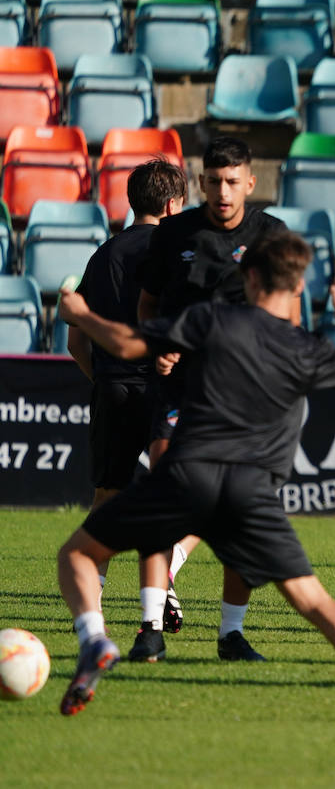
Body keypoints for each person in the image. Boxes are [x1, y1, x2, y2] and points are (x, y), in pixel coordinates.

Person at [55, 233, 335, 721]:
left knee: (78, 554)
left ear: (249, 278)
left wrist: (80, 315)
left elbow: (128, 343)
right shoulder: (304, 347)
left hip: (187, 474)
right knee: (314, 601)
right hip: (251, 489)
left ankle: (94, 640)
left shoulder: (209, 320)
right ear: (298, 287)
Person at [137, 136, 287, 662]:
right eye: (214, 181)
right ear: (200, 183)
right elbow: (149, 303)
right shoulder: (175, 233)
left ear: (250, 182)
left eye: (233, 182)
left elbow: (284, 317)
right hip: (178, 391)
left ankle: (230, 634)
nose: (223, 192)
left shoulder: (271, 237)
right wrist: (158, 345)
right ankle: (149, 630)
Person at [67, 160, 188, 660]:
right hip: (166, 390)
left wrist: (106, 382)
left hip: (113, 387)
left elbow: (77, 339)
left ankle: (93, 630)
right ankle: (163, 586)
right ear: (171, 205)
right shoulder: (178, 253)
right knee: (191, 499)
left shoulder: (102, 255)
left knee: (105, 502)